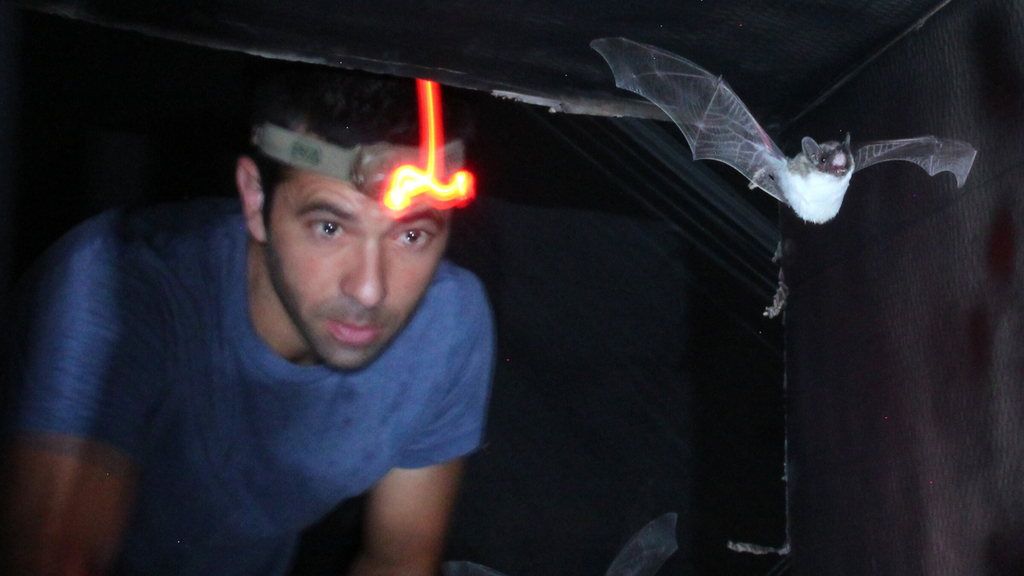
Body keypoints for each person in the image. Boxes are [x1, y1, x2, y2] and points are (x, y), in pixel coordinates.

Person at [0, 69, 495, 576]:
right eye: (329, 227)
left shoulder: (446, 321)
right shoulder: (120, 285)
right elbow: (58, 557)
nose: (369, 289)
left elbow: (400, 562)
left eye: (411, 236)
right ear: (255, 200)